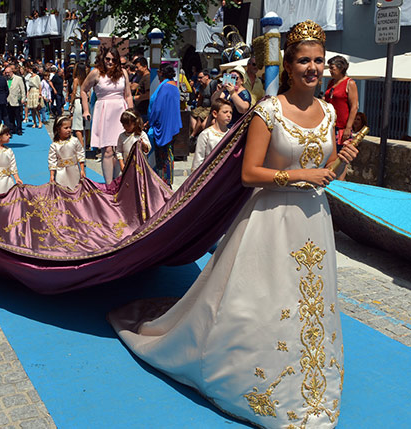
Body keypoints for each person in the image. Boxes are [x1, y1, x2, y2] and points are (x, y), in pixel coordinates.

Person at [109, 20, 358, 428]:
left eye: (318, 61)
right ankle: (250, 378)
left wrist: (342, 159)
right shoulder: (268, 111)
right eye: (304, 61)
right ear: (289, 65)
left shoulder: (329, 112)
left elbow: (327, 173)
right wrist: (301, 176)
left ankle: (307, 382)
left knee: (308, 304)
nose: (313, 68)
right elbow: (249, 174)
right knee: (262, 302)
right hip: (271, 220)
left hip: (314, 221)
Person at [81, 46, 133, 184]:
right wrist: (86, 110)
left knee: (119, 150)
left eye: (113, 60)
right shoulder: (96, 73)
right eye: (108, 59)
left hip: (121, 111)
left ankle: (117, 181)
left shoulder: (123, 73)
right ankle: (109, 184)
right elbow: (83, 90)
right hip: (104, 111)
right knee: (108, 150)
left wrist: (131, 114)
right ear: (103, 59)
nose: (110, 62)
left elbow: (128, 95)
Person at [147, 63, 182, 185]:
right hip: (171, 126)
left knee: (163, 157)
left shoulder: (165, 87)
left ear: (162, 72)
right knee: (168, 154)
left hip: (163, 126)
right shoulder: (173, 86)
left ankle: (164, 182)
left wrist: (151, 121)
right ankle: (166, 182)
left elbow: (157, 108)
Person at [325, 55, 358, 150]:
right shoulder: (331, 82)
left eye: (332, 68)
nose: (330, 71)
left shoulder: (350, 83)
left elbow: (354, 107)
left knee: (340, 154)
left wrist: (348, 128)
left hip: (341, 126)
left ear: (340, 68)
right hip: (329, 125)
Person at [191, 98, 232, 171]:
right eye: (225, 112)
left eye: (230, 112)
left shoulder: (231, 134)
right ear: (215, 114)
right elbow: (198, 159)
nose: (228, 115)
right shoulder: (206, 134)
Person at [48, 115, 85, 190]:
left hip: (74, 170)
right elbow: (52, 160)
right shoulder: (55, 145)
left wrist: (82, 170)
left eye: (70, 127)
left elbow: (80, 154)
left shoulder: (74, 141)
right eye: (66, 128)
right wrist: (52, 175)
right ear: (58, 129)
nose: (69, 130)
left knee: (75, 188)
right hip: (61, 172)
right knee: (62, 189)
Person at [190, 69, 218, 141]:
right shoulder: (201, 86)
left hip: (210, 107)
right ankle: (196, 132)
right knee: (191, 114)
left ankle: (193, 135)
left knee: (200, 117)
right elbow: (200, 98)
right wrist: (197, 108)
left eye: (200, 77)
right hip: (203, 107)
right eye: (198, 78)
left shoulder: (213, 84)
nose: (199, 80)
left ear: (207, 77)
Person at [70, 63, 89, 149]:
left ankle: (81, 146)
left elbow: (74, 92)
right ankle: (87, 144)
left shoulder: (76, 80)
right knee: (86, 125)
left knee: (77, 126)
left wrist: (71, 103)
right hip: (86, 102)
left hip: (78, 101)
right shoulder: (87, 79)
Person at [4, 66, 26, 136]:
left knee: (18, 116)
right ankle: (12, 128)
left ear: (11, 72)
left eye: (8, 72)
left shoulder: (18, 79)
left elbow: (23, 89)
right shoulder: (5, 79)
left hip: (16, 100)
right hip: (8, 100)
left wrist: (23, 98)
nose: (7, 74)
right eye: (6, 73)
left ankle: (19, 129)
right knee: (10, 116)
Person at [131, 57, 151, 121]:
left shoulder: (148, 78)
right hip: (140, 111)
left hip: (144, 112)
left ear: (145, 67)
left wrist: (134, 98)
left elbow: (148, 95)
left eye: (137, 67)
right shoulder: (141, 77)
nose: (136, 69)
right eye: (135, 68)